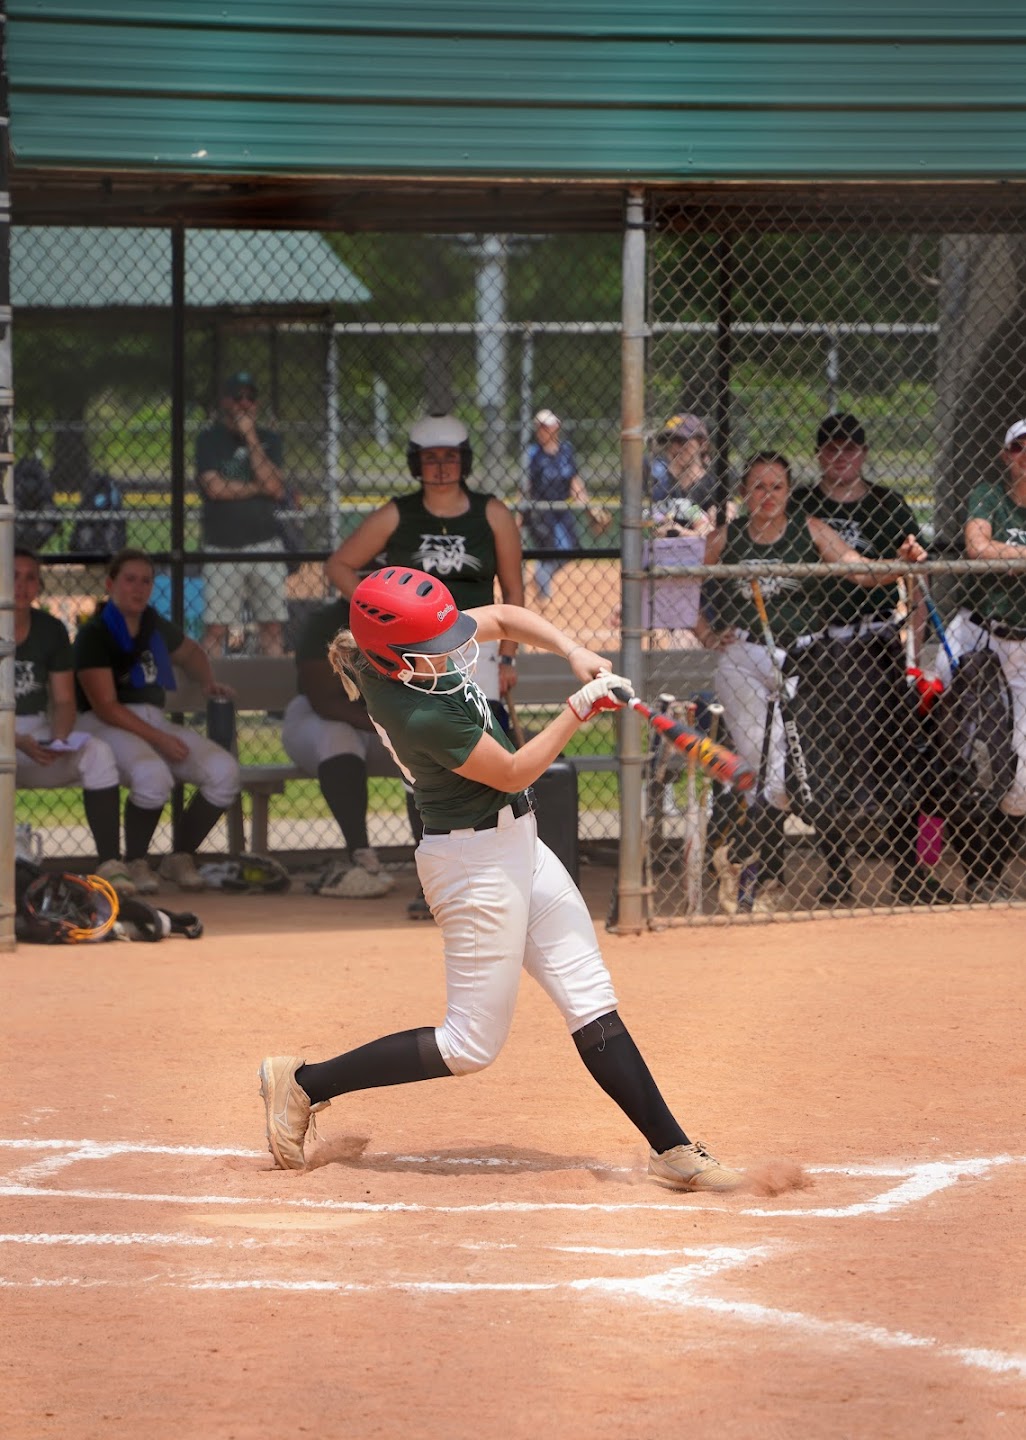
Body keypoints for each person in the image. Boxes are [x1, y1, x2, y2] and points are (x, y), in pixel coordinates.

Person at [258, 564, 743, 1194]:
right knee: (468, 1047)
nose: (456, 653)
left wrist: (573, 652)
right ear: (395, 660)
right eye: (435, 650)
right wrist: (580, 706)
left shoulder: (415, 651)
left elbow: (507, 617)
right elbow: (514, 771)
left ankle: (673, 1149)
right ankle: (303, 1083)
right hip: (472, 868)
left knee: (588, 996)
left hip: (519, 844)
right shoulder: (416, 712)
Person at [696, 452, 926, 914]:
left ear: (789, 492)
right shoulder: (728, 538)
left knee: (782, 778)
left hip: (802, 659)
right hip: (742, 658)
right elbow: (684, 587)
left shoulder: (811, 529)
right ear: (745, 491)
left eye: (776, 487)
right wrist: (705, 633)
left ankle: (737, 859)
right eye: (758, 487)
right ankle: (752, 878)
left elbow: (861, 570)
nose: (767, 497)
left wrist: (899, 563)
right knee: (767, 769)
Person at [326, 413, 525, 919]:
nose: (441, 467)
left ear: (465, 462)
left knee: (492, 751)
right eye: (431, 458)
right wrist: (378, 618)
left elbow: (514, 591)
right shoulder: (397, 514)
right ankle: (435, 879)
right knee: (426, 767)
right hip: (412, 653)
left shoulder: (493, 514)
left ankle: (501, 867)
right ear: (416, 463)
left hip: (474, 645)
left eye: (451, 457)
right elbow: (340, 565)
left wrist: (507, 656)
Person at [794, 413, 952, 906]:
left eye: (851, 449)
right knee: (826, 760)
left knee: (900, 756)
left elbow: (914, 578)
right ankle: (838, 872)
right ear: (820, 455)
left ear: (863, 453)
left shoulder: (888, 505)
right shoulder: (802, 505)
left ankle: (908, 871)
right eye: (832, 449)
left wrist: (917, 648)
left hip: (879, 641)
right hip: (821, 643)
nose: (842, 457)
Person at [73, 548, 242, 895]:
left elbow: (192, 652)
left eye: (145, 581)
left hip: (151, 721)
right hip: (104, 724)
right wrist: (159, 740)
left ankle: (178, 856)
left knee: (225, 772)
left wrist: (206, 680)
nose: (138, 588)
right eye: (129, 580)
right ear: (110, 584)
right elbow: (105, 706)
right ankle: (135, 861)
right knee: (153, 775)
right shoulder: (96, 633)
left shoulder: (153, 624)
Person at [933, 417, 1026, 899]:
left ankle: (990, 870)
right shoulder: (989, 494)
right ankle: (946, 861)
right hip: (974, 634)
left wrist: (1003, 554)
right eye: (1019, 447)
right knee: (953, 750)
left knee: (1022, 780)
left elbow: (992, 549)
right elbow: (976, 545)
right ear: (1006, 455)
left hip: (1024, 650)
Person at [13, 548, 132, 895]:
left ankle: (111, 863)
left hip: (34, 735)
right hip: (5, 741)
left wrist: (59, 739)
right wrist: (14, 742)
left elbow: (64, 700)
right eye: (13, 576)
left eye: (30, 577)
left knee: (97, 753)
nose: (21, 585)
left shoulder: (50, 629)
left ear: (39, 585)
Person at [281, 595, 395, 899]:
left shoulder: (410, 615)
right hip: (322, 719)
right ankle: (360, 857)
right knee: (337, 735)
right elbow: (325, 702)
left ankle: (444, 856)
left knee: (434, 742)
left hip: (385, 720)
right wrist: (394, 727)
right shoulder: (327, 621)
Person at [196, 371, 288, 658]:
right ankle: (210, 698)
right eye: (238, 398)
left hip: (265, 542)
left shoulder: (268, 439)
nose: (244, 404)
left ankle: (274, 699)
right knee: (216, 628)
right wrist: (255, 486)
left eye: (250, 398)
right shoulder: (209, 439)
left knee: (271, 625)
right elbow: (214, 487)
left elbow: (274, 487)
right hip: (221, 545)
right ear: (225, 402)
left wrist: (250, 437)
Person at [524, 408, 592, 602]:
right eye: (540, 427)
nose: (543, 430)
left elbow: (573, 479)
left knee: (572, 549)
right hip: (541, 511)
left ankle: (540, 575)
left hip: (562, 509)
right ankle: (544, 596)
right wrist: (522, 512)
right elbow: (527, 484)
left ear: (556, 427)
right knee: (552, 549)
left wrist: (587, 504)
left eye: (547, 426)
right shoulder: (533, 453)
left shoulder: (566, 450)